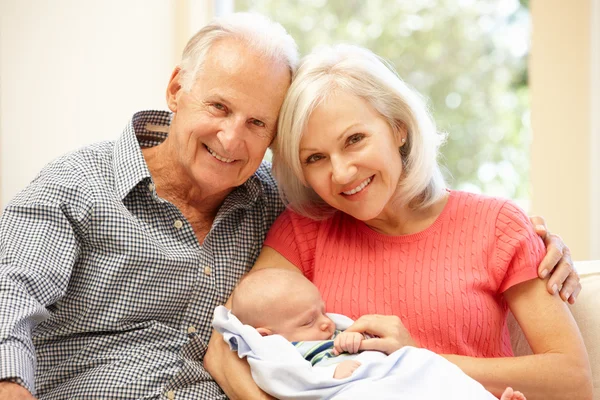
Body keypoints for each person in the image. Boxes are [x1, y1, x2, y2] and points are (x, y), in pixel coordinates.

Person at [0, 12, 579, 400]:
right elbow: (8, 305)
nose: (232, 139)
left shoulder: (275, 203)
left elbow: (573, 377)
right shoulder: (81, 186)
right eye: (219, 107)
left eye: (257, 123)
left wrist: (536, 243)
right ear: (176, 89)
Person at [204, 44, 593, 400]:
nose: (340, 173)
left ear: (398, 128)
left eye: (354, 139)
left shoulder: (498, 226)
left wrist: (418, 358)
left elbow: (573, 380)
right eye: (315, 158)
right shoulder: (302, 230)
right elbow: (228, 344)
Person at [222, 267, 526, 400]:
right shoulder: (283, 353)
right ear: (267, 334)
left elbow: (373, 346)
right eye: (308, 322)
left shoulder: (331, 331)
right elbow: (290, 383)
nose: (326, 323)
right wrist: (331, 377)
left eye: (322, 310)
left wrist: (352, 340)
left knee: (428, 368)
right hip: (352, 390)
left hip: (389, 373)